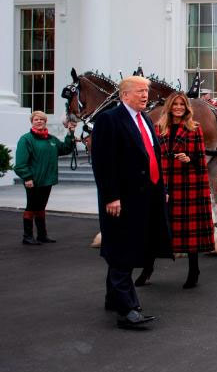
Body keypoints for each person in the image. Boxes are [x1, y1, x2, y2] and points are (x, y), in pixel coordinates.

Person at [91, 75, 173, 329]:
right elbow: (103, 163)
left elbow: (152, 156)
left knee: (125, 247)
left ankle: (112, 298)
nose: (145, 95)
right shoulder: (108, 120)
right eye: (139, 91)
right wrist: (111, 196)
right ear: (124, 95)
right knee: (122, 251)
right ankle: (127, 311)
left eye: (146, 91)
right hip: (122, 199)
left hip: (146, 197)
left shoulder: (145, 120)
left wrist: (161, 189)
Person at [145, 92, 214, 289]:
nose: (178, 107)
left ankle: (194, 271)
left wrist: (189, 159)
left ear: (186, 108)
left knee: (188, 230)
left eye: (181, 105)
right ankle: (147, 269)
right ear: (169, 106)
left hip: (186, 185)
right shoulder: (159, 129)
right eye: (175, 104)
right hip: (164, 183)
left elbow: (201, 161)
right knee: (156, 228)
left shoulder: (194, 129)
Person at [14, 111, 76, 245]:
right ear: (32, 122)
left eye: (42, 119)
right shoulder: (26, 139)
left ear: (45, 121)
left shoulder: (51, 139)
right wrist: (27, 177)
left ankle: (42, 235)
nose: (39, 121)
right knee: (31, 207)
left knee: (41, 207)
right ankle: (27, 236)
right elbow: (20, 163)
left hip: (47, 180)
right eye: (36, 119)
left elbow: (65, 149)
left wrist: (70, 133)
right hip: (33, 181)